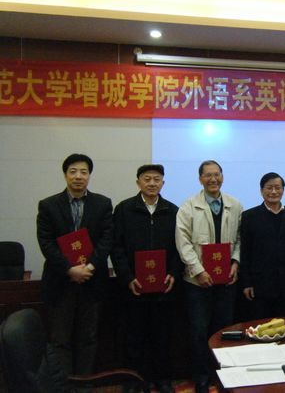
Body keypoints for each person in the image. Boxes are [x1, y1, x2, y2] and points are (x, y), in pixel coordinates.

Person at [36, 153, 113, 375]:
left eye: (83, 172)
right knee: (60, 339)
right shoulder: (48, 205)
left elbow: (107, 239)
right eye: (73, 171)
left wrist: (89, 267)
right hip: (61, 282)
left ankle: (84, 384)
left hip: (92, 281)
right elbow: (46, 242)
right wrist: (69, 269)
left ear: (89, 176)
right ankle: (64, 385)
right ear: (65, 175)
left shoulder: (102, 204)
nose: (78, 176)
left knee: (88, 337)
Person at [111, 164, 180, 393]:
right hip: (134, 287)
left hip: (163, 288)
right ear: (138, 182)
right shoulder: (124, 209)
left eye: (156, 179)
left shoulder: (173, 211)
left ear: (163, 183)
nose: (152, 183)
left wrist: (173, 273)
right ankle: (133, 381)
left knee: (162, 336)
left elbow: (180, 247)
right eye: (147, 179)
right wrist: (127, 277)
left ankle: (163, 379)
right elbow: (116, 247)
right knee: (134, 337)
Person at [175, 160, 242, 393]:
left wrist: (235, 262)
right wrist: (199, 271)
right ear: (200, 179)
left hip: (227, 281)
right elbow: (183, 243)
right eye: (208, 175)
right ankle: (202, 378)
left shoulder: (235, 205)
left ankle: (223, 375)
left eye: (217, 174)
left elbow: (240, 239)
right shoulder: (188, 207)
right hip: (197, 283)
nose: (213, 179)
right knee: (199, 331)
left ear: (222, 176)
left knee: (224, 330)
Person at [240, 172, 285, 320]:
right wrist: (247, 282)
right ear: (261, 190)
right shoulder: (249, 216)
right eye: (269, 188)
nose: (274, 192)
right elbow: (245, 251)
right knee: (261, 326)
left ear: (283, 190)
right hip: (260, 285)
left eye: (277, 187)